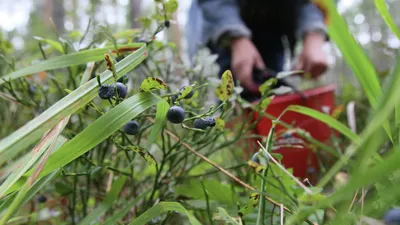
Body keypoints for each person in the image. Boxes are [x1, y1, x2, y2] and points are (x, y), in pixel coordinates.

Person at [186, 0, 331, 102]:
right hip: (221, 20)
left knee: (272, 88)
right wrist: (236, 38)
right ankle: (235, 131)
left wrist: (314, 34)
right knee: (236, 89)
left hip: (272, 24)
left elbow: (308, 4)